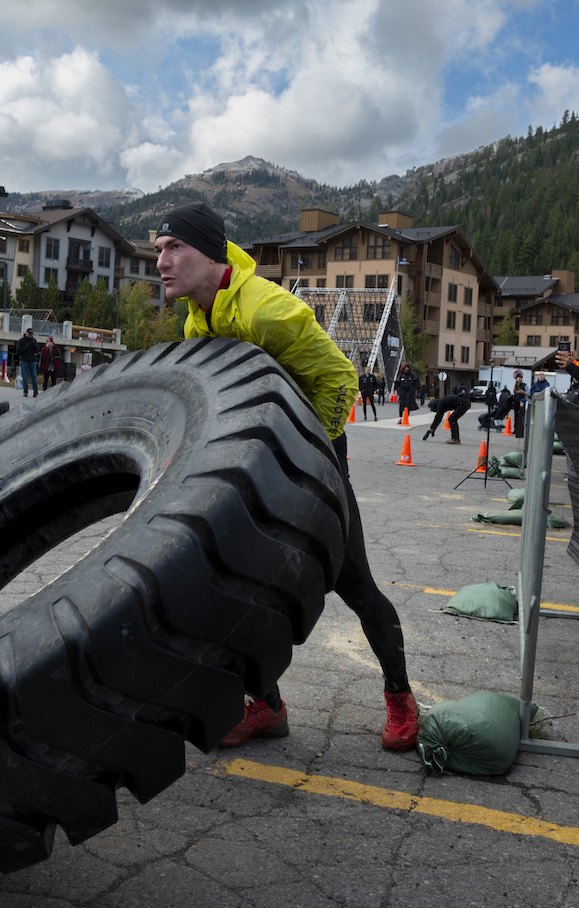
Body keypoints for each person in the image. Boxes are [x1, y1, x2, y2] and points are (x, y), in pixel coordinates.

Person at [154, 202, 419, 751]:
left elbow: (341, 380)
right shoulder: (196, 315)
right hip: (255, 463)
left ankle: (400, 697)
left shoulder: (267, 312)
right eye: (159, 249)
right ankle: (267, 706)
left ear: (210, 253)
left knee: (356, 586)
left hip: (313, 461)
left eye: (174, 247)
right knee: (237, 588)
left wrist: (305, 458)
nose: (162, 260)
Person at [17, 327, 40, 397]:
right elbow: (18, 350)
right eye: (29, 334)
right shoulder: (21, 341)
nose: (30, 336)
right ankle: (25, 391)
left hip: (32, 361)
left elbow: (37, 350)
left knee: (34, 377)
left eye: (31, 334)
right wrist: (26, 347)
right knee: (25, 377)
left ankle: (35, 391)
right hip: (24, 360)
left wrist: (34, 345)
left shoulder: (34, 341)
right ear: (26, 333)